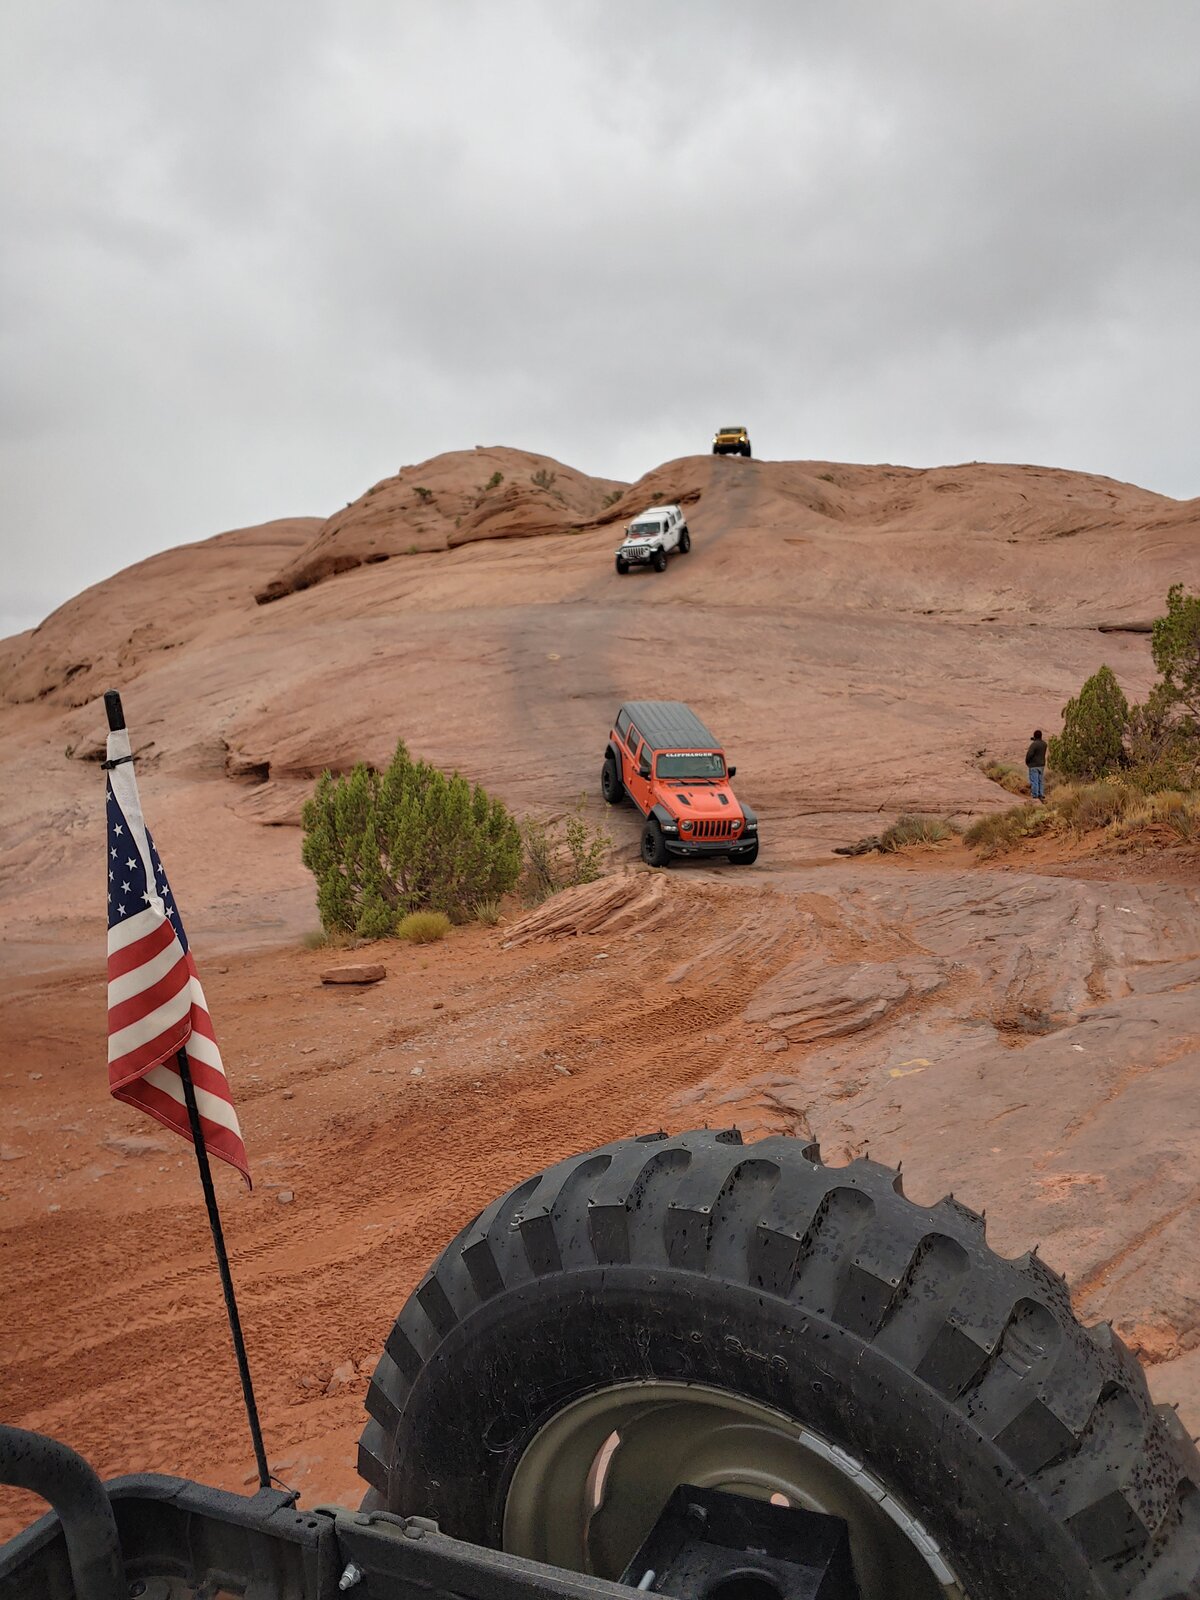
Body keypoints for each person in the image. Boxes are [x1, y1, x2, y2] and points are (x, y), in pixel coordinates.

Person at [1025, 729, 1048, 800]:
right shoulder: (1044, 744)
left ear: (1034, 736)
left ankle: (1035, 795)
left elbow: (1029, 754)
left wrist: (1027, 762)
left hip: (1034, 765)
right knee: (1040, 781)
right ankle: (1041, 794)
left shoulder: (1034, 744)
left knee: (1034, 781)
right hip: (1041, 765)